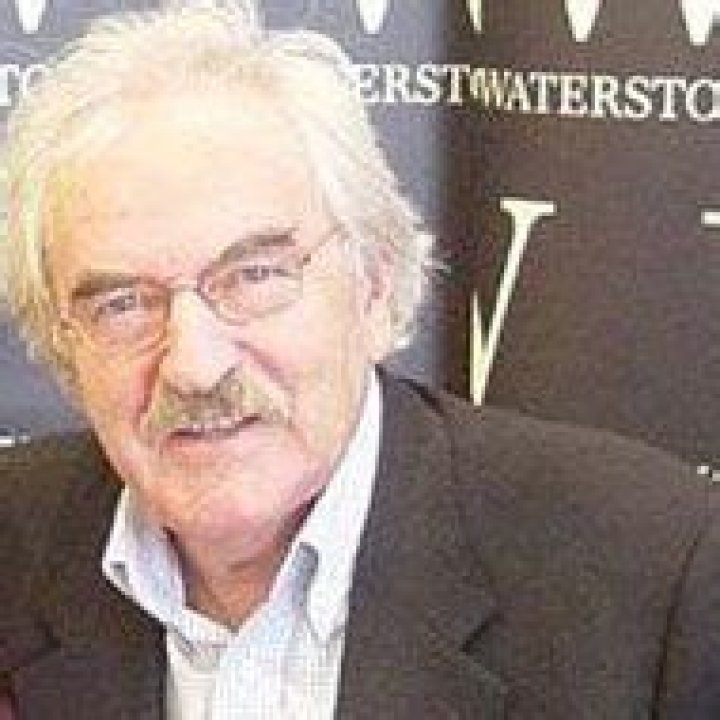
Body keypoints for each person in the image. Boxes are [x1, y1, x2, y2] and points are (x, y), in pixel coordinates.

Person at [1, 2, 719, 718]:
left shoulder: (652, 576)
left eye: (254, 276)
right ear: (61, 345)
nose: (194, 365)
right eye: (122, 303)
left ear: (374, 285)